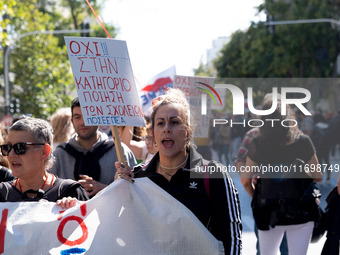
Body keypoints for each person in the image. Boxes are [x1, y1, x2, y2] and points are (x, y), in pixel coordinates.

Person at [114, 88, 242, 255]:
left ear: (188, 132)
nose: (167, 128)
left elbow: (231, 240)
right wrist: (118, 192)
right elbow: (122, 233)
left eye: (174, 122)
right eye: (160, 123)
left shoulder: (212, 174)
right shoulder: (138, 178)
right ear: (152, 133)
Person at [242, 98, 322, 255]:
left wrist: (257, 198)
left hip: (269, 211)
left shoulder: (257, 143)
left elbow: (245, 181)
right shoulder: (304, 142)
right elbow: (318, 175)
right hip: (301, 211)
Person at [50, 97, 136, 197]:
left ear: (99, 118)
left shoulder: (120, 151)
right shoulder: (59, 155)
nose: (82, 122)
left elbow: (135, 191)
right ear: (72, 121)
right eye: (77, 117)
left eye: (88, 116)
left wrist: (104, 188)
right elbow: (48, 192)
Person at [0, 117, 88, 208]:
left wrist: (73, 208)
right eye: (7, 147)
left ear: (44, 152)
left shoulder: (70, 192)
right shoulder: (2, 194)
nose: (10, 154)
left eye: (20, 147)